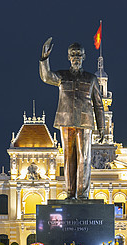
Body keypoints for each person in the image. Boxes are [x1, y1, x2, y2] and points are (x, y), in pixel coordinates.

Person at [39, 38, 105, 199]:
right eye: (73, 54)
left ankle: (82, 195)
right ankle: (70, 193)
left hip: (85, 122)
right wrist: (44, 58)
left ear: (84, 56)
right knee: (69, 158)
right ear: (68, 57)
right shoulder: (62, 76)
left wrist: (102, 127)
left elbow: (99, 105)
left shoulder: (91, 79)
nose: (76, 57)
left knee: (85, 158)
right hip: (66, 121)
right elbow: (46, 77)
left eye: (79, 54)